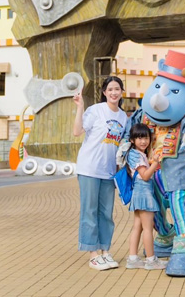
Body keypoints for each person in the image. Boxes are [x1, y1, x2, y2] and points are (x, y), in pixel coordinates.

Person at [72, 75, 128, 271]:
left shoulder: (123, 117)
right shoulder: (95, 110)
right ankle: (93, 254)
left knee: (106, 214)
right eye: (110, 89)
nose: (114, 92)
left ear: (122, 92)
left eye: (117, 89)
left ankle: (105, 251)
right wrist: (80, 107)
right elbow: (77, 132)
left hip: (108, 172)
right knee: (90, 211)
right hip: (89, 168)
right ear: (104, 93)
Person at [124, 123, 166, 270]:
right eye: (139, 138)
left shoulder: (137, 154)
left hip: (139, 192)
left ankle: (133, 258)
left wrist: (151, 161)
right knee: (148, 228)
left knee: (138, 227)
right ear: (132, 140)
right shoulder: (136, 155)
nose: (143, 141)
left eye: (146, 137)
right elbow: (145, 176)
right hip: (144, 193)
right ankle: (151, 260)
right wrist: (155, 163)